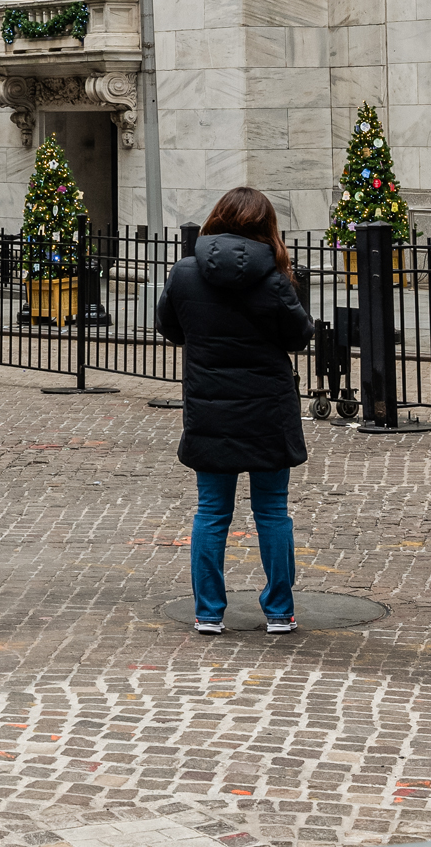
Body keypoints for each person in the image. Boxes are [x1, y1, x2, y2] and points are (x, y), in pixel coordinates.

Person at [155, 186, 314, 635]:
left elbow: (169, 326)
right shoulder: (275, 278)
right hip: (267, 410)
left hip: (210, 408)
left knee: (211, 511)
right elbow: (299, 336)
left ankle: (208, 611)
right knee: (272, 511)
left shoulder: (186, 273)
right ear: (266, 227)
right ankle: (280, 611)